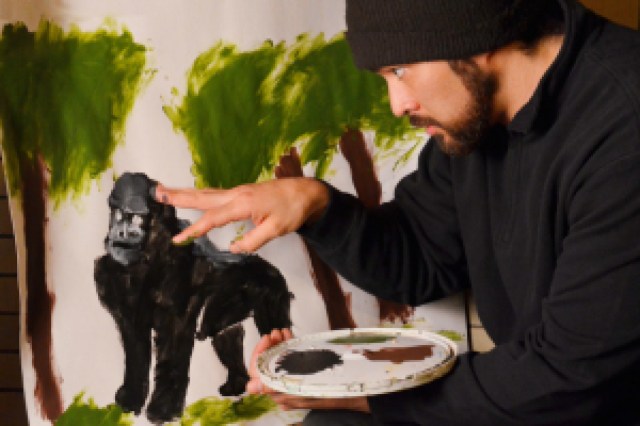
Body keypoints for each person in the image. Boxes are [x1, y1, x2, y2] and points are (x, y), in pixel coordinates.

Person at [155, 0, 640, 424]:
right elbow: (422, 257)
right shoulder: (477, 116)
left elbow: (572, 378)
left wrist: (363, 394)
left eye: (400, 70)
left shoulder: (624, 128)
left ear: (475, 36)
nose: (397, 104)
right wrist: (315, 206)